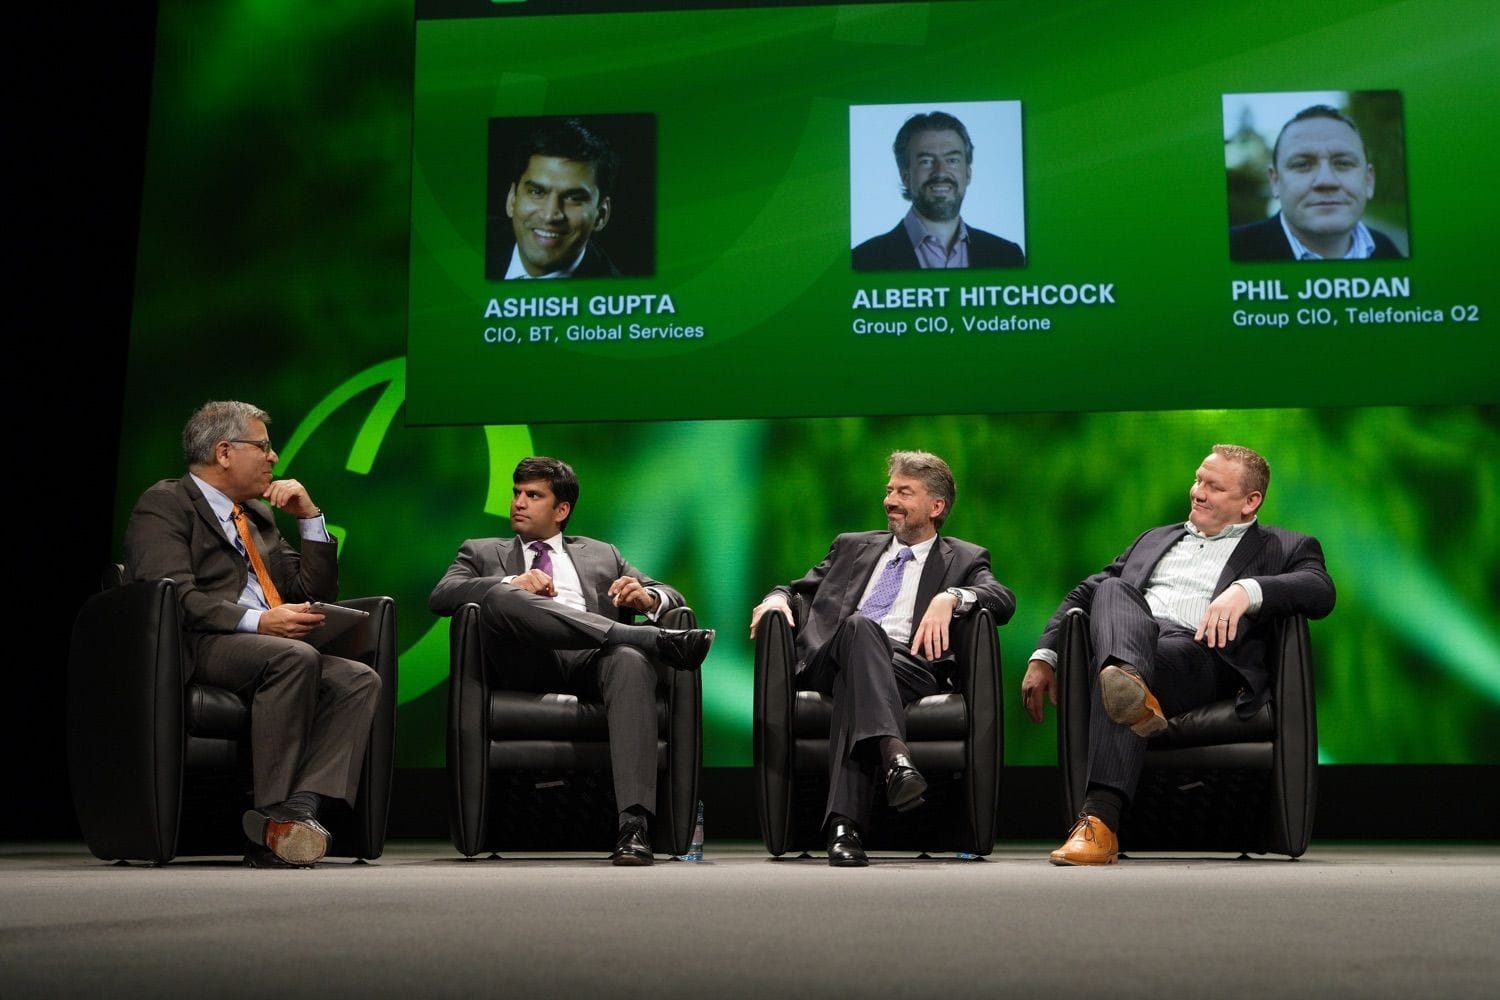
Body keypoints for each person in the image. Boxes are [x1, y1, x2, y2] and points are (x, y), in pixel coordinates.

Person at [1021, 444, 1335, 865]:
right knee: (1112, 591)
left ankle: (1099, 820)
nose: (1197, 492)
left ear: (1250, 501)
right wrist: (1045, 656)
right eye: (1198, 480)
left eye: (1214, 487)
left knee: (1115, 665)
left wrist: (1248, 590)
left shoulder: (1285, 546)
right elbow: (1084, 592)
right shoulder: (1154, 539)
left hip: (1202, 657)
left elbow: (1320, 590)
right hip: (1139, 645)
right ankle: (1127, 683)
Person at [123, 400, 382, 868]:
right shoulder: (165, 504)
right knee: (292, 658)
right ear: (224, 452)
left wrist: (309, 518)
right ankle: (272, 822)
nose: (274, 458)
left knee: (358, 679)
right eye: (262, 446)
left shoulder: (258, 516)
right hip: (201, 643)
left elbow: (309, 589)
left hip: (269, 647)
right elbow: (172, 595)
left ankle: (292, 812)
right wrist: (259, 622)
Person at [428, 456, 714, 866]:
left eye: (533, 495)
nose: (518, 503)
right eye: (516, 493)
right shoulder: (482, 552)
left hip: (590, 662)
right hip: (524, 661)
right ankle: (642, 637)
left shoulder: (602, 554)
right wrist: (512, 581)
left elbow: (671, 595)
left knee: (631, 662)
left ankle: (634, 828)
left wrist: (647, 597)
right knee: (500, 596)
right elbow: (442, 596)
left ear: (561, 510)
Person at [749, 451, 1015, 866]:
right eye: (889, 490)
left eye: (904, 492)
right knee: (859, 628)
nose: (890, 499)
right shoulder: (852, 546)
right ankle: (896, 758)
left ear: (936, 506)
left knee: (858, 674)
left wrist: (953, 596)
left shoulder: (964, 558)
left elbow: (1002, 599)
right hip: (833, 657)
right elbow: (798, 588)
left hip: (909, 668)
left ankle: (844, 829)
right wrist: (774, 600)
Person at [852, 111, 1025, 271]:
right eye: (926, 161)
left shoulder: (1008, 256)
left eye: (952, 160)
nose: (941, 172)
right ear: (905, 175)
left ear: (968, 173)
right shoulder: (861, 261)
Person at [1229, 104, 1404, 261]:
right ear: (1275, 182)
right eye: (1302, 165)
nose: (1326, 181)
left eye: (1343, 163)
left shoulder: (1387, 250)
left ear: (1368, 181)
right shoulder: (1231, 250)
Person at [496, 118, 621, 279]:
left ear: (601, 215)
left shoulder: (616, 291)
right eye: (536, 192)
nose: (549, 216)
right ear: (512, 199)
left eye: (574, 198)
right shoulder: (468, 247)